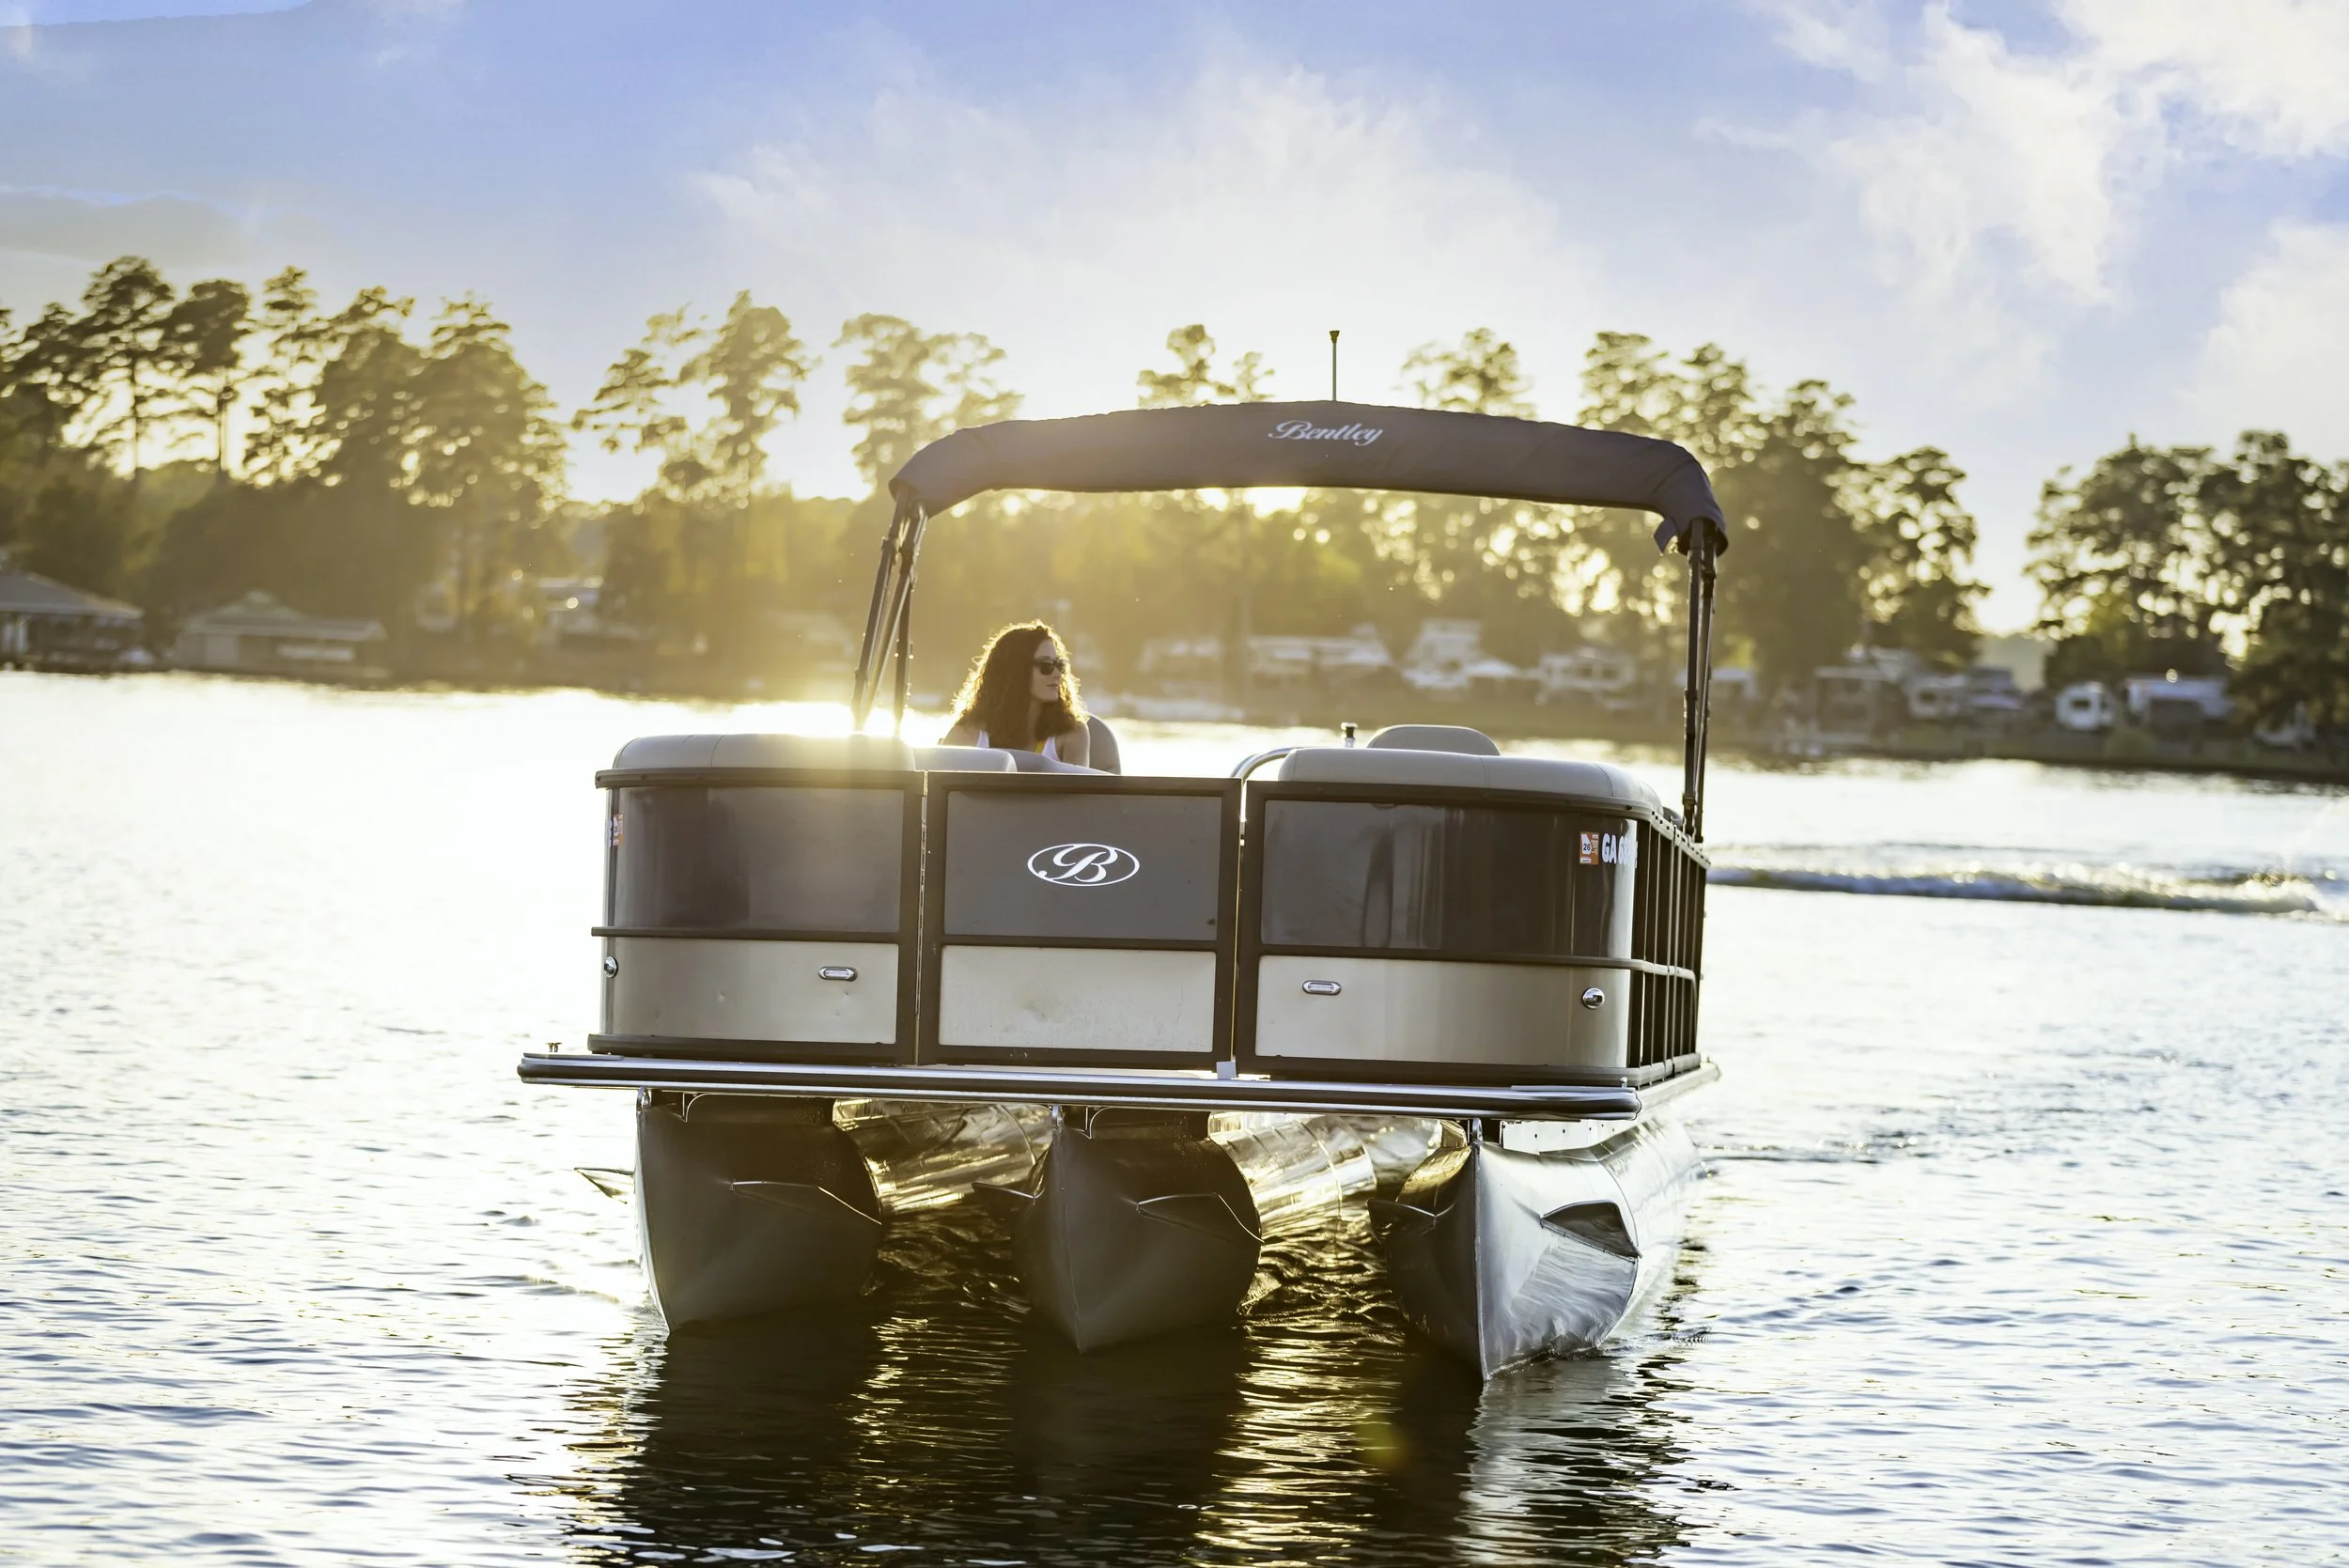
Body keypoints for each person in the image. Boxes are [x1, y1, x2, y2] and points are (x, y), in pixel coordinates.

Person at [941, 622, 1091, 767]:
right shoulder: (965, 734)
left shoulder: (1072, 733)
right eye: (1046, 666)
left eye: (1060, 665)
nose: (1057, 674)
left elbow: (1080, 792)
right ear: (1016, 672)